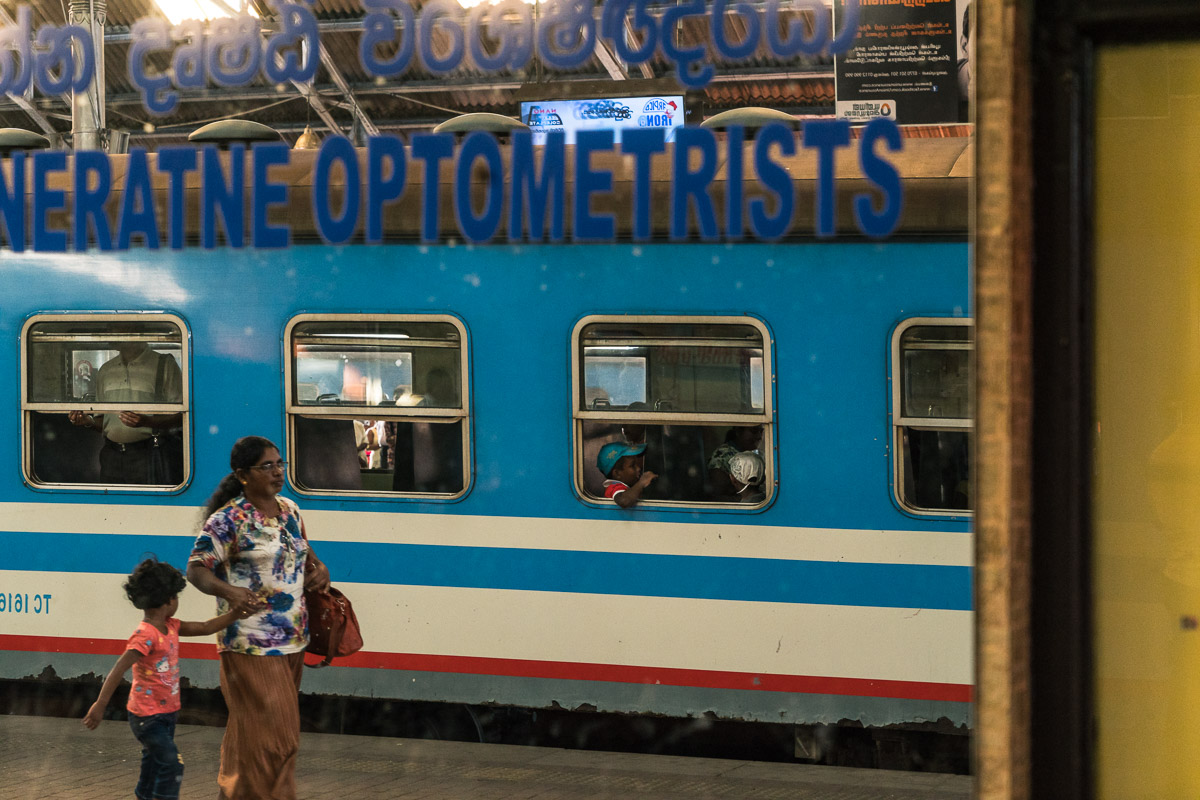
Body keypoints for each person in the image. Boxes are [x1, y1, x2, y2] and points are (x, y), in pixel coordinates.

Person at [186, 436, 330, 800]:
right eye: (267, 466)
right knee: (278, 739)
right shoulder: (227, 520)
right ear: (243, 475)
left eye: (280, 464)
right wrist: (230, 592)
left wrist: (320, 570)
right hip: (249, 643)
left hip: (294, 640)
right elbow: (196, 570)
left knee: (250, 734)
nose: (278, 472)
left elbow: (306, 555)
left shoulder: (290, 510)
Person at [82, 558, 244, 800]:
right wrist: (100, 705)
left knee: (153, 762)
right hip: (146, 718)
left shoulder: (172, 626)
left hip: (167, 714)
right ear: (168, 600)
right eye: (176, 596)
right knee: (171, 764)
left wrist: (235, 614)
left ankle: (144, 795)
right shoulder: (145, 635)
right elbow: (119, 668)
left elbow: (205, 627)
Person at [68, 334, 183, 484]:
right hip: (111, 455)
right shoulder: (106, 370)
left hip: (149, 453)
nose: (111, 333)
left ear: (135, 330)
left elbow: (181, 416)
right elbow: (104, 423)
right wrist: (88, 421)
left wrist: (148, 422)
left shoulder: (164, 365)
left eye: (117, 328)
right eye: (110, 329)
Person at [707, 425, 764, 501]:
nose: (759, 436)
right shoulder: (722, 457)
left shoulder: (754, 454)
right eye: (754, 431)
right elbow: (717, 496)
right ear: (738, 432)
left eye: (761, 432)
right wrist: (747, 499)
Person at [598, 441, 657, 508]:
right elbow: (624, 501)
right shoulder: (614, 487)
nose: (638, 468)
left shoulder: (628, 488)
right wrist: (642, 483)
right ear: (617, 474)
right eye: (632, 466)